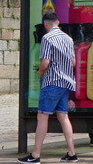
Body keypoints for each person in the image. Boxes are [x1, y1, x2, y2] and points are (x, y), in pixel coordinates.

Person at [17, 11, 78, 163]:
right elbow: (73, 62)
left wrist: (40, 71)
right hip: (66, 82)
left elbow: (45, 62)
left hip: (51, 82)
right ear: (57, 22)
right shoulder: (68, 39)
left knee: (42, 117)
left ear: (45, 24)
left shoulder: (47, 38)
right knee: (63, 116)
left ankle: (36, 154)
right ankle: (72, 153)